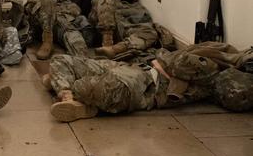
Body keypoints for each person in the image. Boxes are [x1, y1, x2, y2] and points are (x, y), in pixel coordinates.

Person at [43, 41, 253, 122]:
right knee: (60, 59)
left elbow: (179, 63)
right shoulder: (214, 52)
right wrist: (162, 64)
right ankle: (67, 94)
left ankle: (74, 95)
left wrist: (163, 65)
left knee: (94, 88)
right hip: (134, 66)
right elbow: (176, 62)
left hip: (146, 84)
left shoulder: (217, 76)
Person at [89, 0, 175, 57]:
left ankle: (115, 49)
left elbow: (145, 25)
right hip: (106, 30)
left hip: (126, 33)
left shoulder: (139, 8)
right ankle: (107, 44)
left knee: (152, 33)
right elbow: (93, 15)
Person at [24, 0, 90, 60]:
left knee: (76, 41)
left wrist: (59, 8)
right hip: (43, 27)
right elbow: (30, 11)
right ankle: (47, 42)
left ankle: (83, 61)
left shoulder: (66, 2)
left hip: (63, 26)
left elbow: (76, 11)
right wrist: (49, 2)